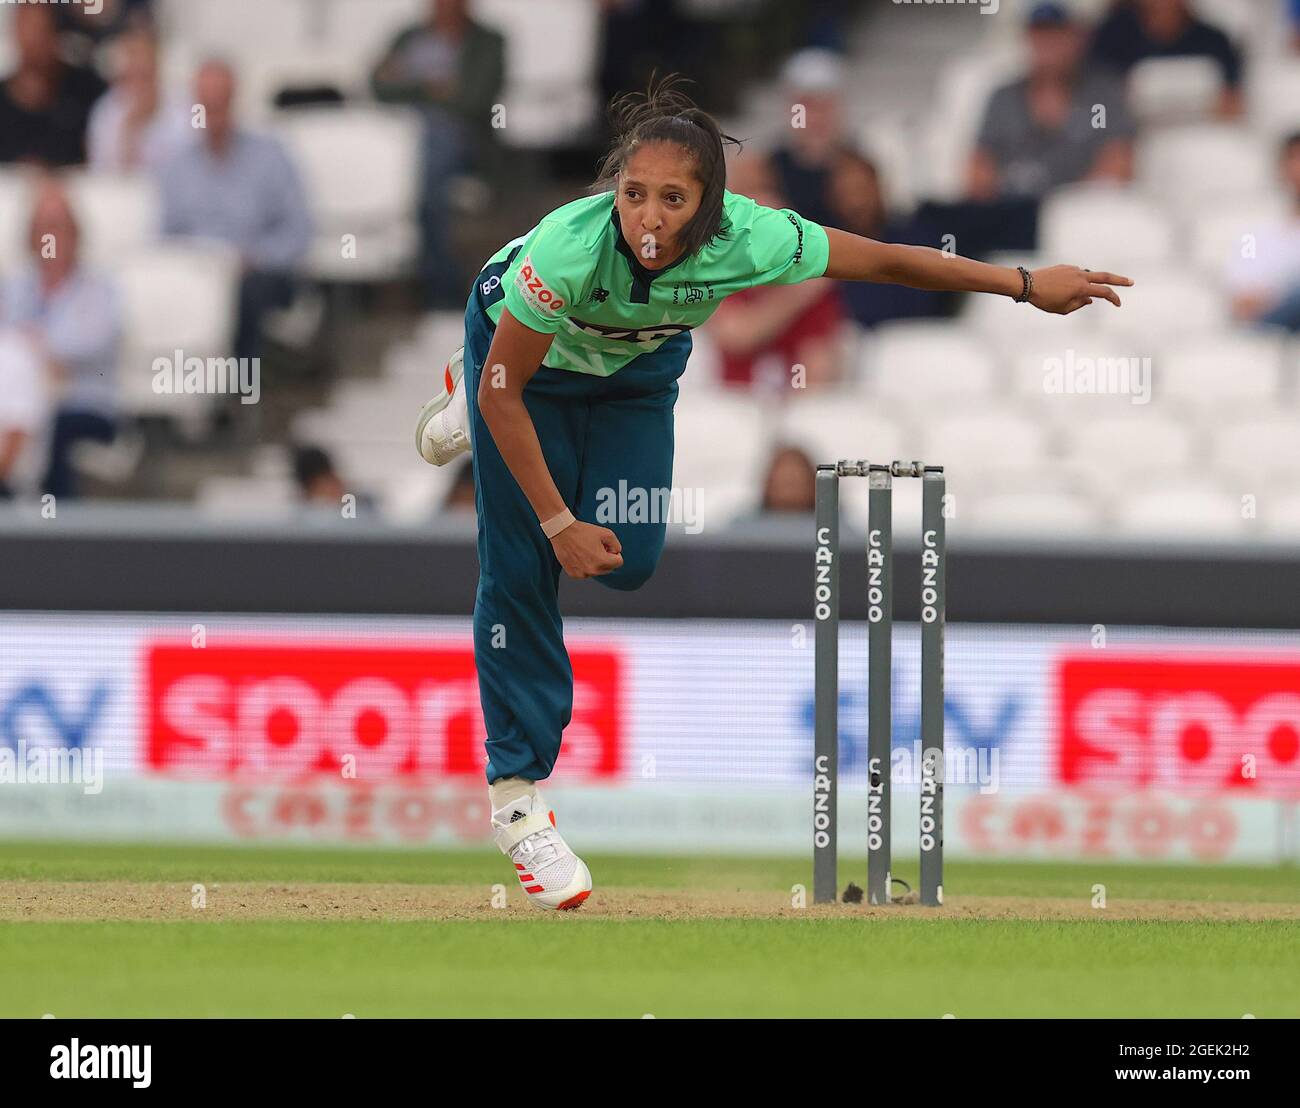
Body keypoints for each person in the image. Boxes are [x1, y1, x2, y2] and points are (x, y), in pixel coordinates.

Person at [412, 78, 1132, 912]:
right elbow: (512, 396)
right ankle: (517, 802)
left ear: (710, 207)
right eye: (634, 194)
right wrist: (556, 518)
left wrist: (1019, 282)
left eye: (672, 200)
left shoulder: (754, 237)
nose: (647, 217)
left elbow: (891, 260)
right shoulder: (568, 250)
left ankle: (527, 463)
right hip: (517, 370)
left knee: (631, 559)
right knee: (524, 568)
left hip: (636, 376)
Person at [159, 60, 312, 363]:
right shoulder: (176, 166)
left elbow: (298, 232)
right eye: (205, 105)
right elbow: (165, 237)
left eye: (219, 104)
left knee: (243, 294)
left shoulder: (270, 156)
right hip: (198, 277)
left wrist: (254, 258)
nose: (213, 115)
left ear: (234, 102)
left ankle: (240, 392)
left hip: (257, 275)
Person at [371, 0, 505, 308]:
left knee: (428, 170)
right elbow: (377, 86)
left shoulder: (488, 41)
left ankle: (437, 284)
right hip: (403, 134)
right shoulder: (407, 36)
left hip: (462, 140)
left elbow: (474, 99)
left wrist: (406, 82)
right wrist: (430, 87)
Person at [1, 178, 121, 499]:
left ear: (75, 233)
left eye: (56, 225)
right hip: (19, 406)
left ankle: (58, 536)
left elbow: (90, 345)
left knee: (53, 426)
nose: (49, 236)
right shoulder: (14, 287)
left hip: (81, 403)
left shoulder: (100, 290)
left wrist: (35, 348)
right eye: (41, 227)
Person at [969, 2, 1135, 203]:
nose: (1048, 44)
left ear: (1077, 37)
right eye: (1040, 34)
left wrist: (1061, 207)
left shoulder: (1104, 96)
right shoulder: (1003, 97)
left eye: (1057, 34)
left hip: (1080, 214)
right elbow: (979, 168)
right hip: (1013, 213)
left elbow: (1117, 164)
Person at [707, 149, 845, 389]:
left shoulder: (810, 282)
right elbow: (736, 336)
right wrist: (797, 295)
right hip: (734, 406)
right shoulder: (713, 271)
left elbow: (819, 366)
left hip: (796, 405)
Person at [1088, 0, 1244, 119]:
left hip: (1201, 141)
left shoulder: (1214, 42)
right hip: (1125, 143)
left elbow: (1235, 103)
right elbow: (1097, 106)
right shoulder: (1111, 37)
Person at [0, 4, 106, 167]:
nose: (33, 40)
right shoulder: (4, 98)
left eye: (41, 29)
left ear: (54, 31)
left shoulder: (87, 89)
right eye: (27, 29)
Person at [88, 25, 192, 174]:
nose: (139, 63)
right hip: (125, 192)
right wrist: (131, 127)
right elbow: (103, 170)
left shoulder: (185, 103)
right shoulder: (105, 110)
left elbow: (192, 154)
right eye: (133, 55)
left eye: (145, 55)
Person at [1226, 132, 1300, 333]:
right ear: (1282, 168)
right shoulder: (1254, 236)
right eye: (1296, 158)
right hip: (1277, 326)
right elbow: (1244, 304)